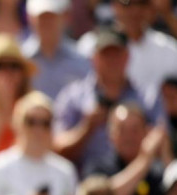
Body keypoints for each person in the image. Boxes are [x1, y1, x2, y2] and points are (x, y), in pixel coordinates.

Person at [54, 27, 163, 174]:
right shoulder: (74, 96)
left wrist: (138, 135)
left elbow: (162, 143)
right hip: (88, 186)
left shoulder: (148, 98)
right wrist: (86, 128)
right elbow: (57, 149)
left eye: (117, 54)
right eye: (106, 55)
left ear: (127, 57)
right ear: (94, 58)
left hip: (140, 180)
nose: (112, 61)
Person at [0, 91, 78, 195]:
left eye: (45, 123)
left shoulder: (65, 170)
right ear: (17, 123)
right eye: (31, 121)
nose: (38, 129)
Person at [83, 103, 168, 195]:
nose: (129, 137)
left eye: (135, 130)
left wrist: (166, 152)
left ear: (146, 132)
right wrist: (143, 161)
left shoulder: (158, 171)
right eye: (122, 129)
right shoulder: (98, 167)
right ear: (110, 134)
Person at [77, 0, 177, 103]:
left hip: (158, 123)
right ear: (114, 5)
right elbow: (78, 96)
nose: (135, 10)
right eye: (127, 3)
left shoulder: (169, 49)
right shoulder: (89, 45)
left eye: (142, 3)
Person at [22, 0, 91, 100]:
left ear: (66, 16)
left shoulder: (82, 61)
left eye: (51, 16)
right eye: (41, 17)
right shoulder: (20, 60)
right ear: (30, 18)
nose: (46, 22)